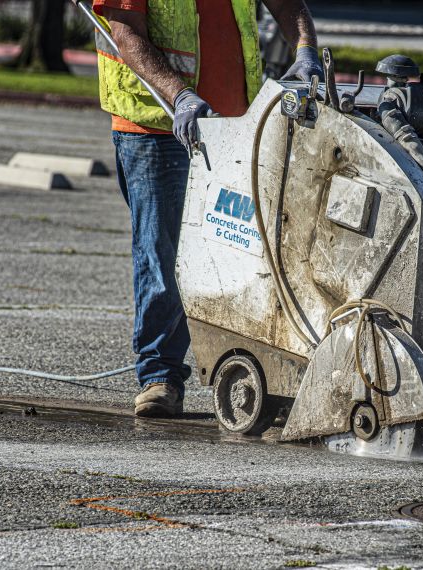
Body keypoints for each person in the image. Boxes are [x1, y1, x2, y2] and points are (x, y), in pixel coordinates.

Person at [90, 0, 323, 417]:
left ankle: (260, 375)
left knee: (243, 251)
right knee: (164, 254)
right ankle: (160, 375)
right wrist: (179, 95)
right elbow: (126, 33)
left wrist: (306, 48)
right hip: (159, 124)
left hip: (234, 123)